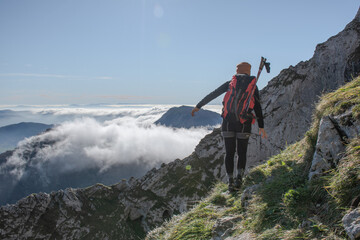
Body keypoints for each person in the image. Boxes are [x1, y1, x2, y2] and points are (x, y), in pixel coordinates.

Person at [191, 62, 267, 192]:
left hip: (227, 123)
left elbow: (213, 94)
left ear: (237, 71)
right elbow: (257, 107)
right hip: (244, 124)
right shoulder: (253, 86)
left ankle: (230, 182)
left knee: (229, 153)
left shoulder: (230, 83)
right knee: (241, 153)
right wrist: (261, 126)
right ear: (248, 72)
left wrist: (199, 105)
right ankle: (239, 180)